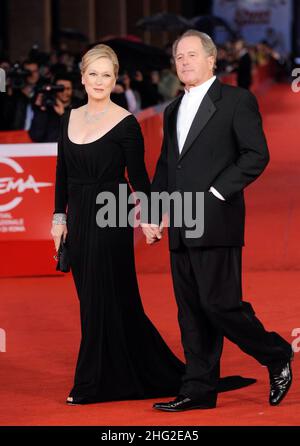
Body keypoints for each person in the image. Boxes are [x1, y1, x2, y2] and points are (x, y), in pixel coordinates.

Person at [141, 30, 293, 411]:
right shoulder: (172, 109)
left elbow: (256, 154)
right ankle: (198, 389)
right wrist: (152, 211)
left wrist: (216, 194)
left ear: (212, 60)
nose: (185, 62)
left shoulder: (237, 100)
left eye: (192, 55)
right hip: (180, 221)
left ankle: (275, 353)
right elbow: (165, 167)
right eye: (179, 57)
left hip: (216, 217)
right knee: (190, 309)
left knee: (219, 304)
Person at [50, 44, 185, 405]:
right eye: (92, 74)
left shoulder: (126, 123)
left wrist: (151, 219)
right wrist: (58, 218)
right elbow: (62, 172)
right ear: (82, 78)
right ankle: (127, 369)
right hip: (78, 217)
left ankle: (92, 383)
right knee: (91, 298)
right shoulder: (70, 118)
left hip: (112, 214)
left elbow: (139, 179)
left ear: (115, 79)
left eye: (106, 75)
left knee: (105, 296)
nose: (98, 81)